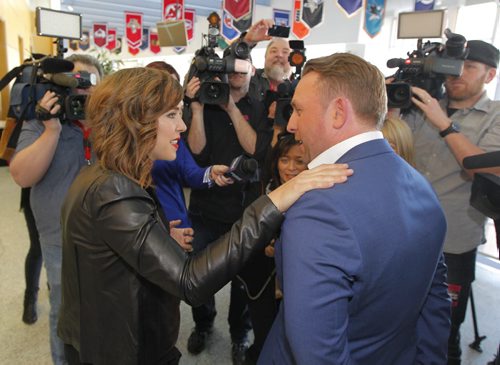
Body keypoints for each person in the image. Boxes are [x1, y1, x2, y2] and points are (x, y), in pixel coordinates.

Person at [56, 67, 352, 365]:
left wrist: (157, 238)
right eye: (171, 115)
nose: (181, 127)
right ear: (137, 120)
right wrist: (273, 202)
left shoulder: (101, 176)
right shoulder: (114, 190)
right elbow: (190, 281)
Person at [259, 53, 450, 364]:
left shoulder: (319, 208)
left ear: (337, 113)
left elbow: (318, 354)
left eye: (298, 110)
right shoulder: (421, 186)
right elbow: (435, 302)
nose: (291, 124)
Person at [402, 40, 500, 365]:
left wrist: (443, 122)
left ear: (490, 75)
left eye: (469, 67)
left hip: (454, 242)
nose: (457, 74)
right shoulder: (421, 103)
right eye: (452, 66)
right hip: (405, 233)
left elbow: (480, 168)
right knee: (398, 319)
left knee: (443, 332)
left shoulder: (496, 115)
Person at [9, 54, 103, 365]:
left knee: (106, 307)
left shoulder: (110, 123)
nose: (83, 92)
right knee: (65, 313)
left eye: (91, 85)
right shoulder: (43, 119)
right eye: (76, 83)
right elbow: (22, 175)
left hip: (107, 234)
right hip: (59, 237)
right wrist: (51, 130)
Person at [185, 51, 272, 364]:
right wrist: (196, 109)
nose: (235, 73)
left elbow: (256, 149)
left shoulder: (260, 106)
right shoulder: (205, 103)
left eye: (241, 66)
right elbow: (196, 154)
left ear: (251, 69)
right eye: (229, 67)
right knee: (199, 274)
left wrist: (231, 107)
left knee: (243, 282)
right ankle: (203, 323)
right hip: (205, 207)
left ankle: (239, 334)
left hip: (244, 210)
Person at [238, 131, 309, 364]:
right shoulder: (262, 192)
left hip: (298, 283)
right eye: (284, 159)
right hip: (263, 280)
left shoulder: (317, 196)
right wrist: (265, 247)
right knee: (264, 334)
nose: (290, 168)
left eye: (299, 161)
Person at [146, 61, 229, 251]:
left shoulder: (174, 141)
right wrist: (162, 234)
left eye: (179, 111)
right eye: (170, 114)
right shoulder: (121, 168)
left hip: (182, 232)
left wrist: (211, 174)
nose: (182, 126)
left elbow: (191, 173)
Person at [20, 186, 42, 324]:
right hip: (33, 196)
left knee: (61, 246)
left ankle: (53, 282)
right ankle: (30, 297)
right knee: (37, 248)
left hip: (63, 195)